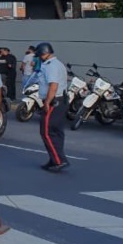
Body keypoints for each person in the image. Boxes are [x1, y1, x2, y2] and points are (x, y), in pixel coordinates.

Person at [36, 42, 70, 172]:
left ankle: (59, 160)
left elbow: (53, 86)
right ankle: (53, 159)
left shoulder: (50, 66)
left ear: (43, 54)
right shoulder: (59, 64)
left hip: (53, 101)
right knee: (57, 132)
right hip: (61, 100)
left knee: (46, 132)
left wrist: (47, 102)